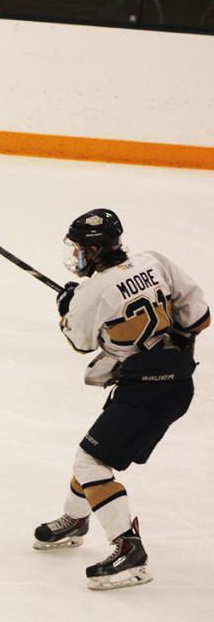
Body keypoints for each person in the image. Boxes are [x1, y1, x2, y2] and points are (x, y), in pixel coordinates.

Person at [34, 209, 209, 590]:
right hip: (176, 380)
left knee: (91, 459)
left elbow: (80, 342)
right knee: (94, 451)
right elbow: (199, 317)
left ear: (94, 250)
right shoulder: (153, 261)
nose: (78, 256)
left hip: (145, 388)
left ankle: (129, 552)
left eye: (81, 249)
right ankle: (76, 519)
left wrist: (68, 307)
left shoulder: (90, 292)